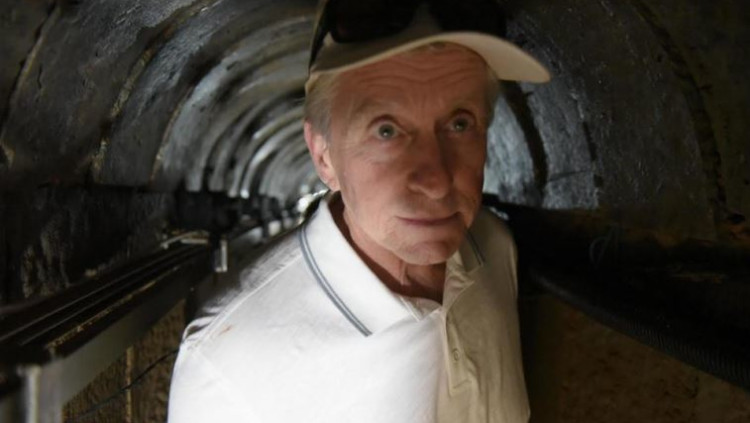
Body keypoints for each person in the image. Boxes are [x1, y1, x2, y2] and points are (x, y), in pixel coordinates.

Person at [168, 0, 550, 422]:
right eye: (386, 130)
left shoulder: (493, 247)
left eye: (460, 124)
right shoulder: (228, 367)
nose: (438, 181)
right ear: (324, 155)